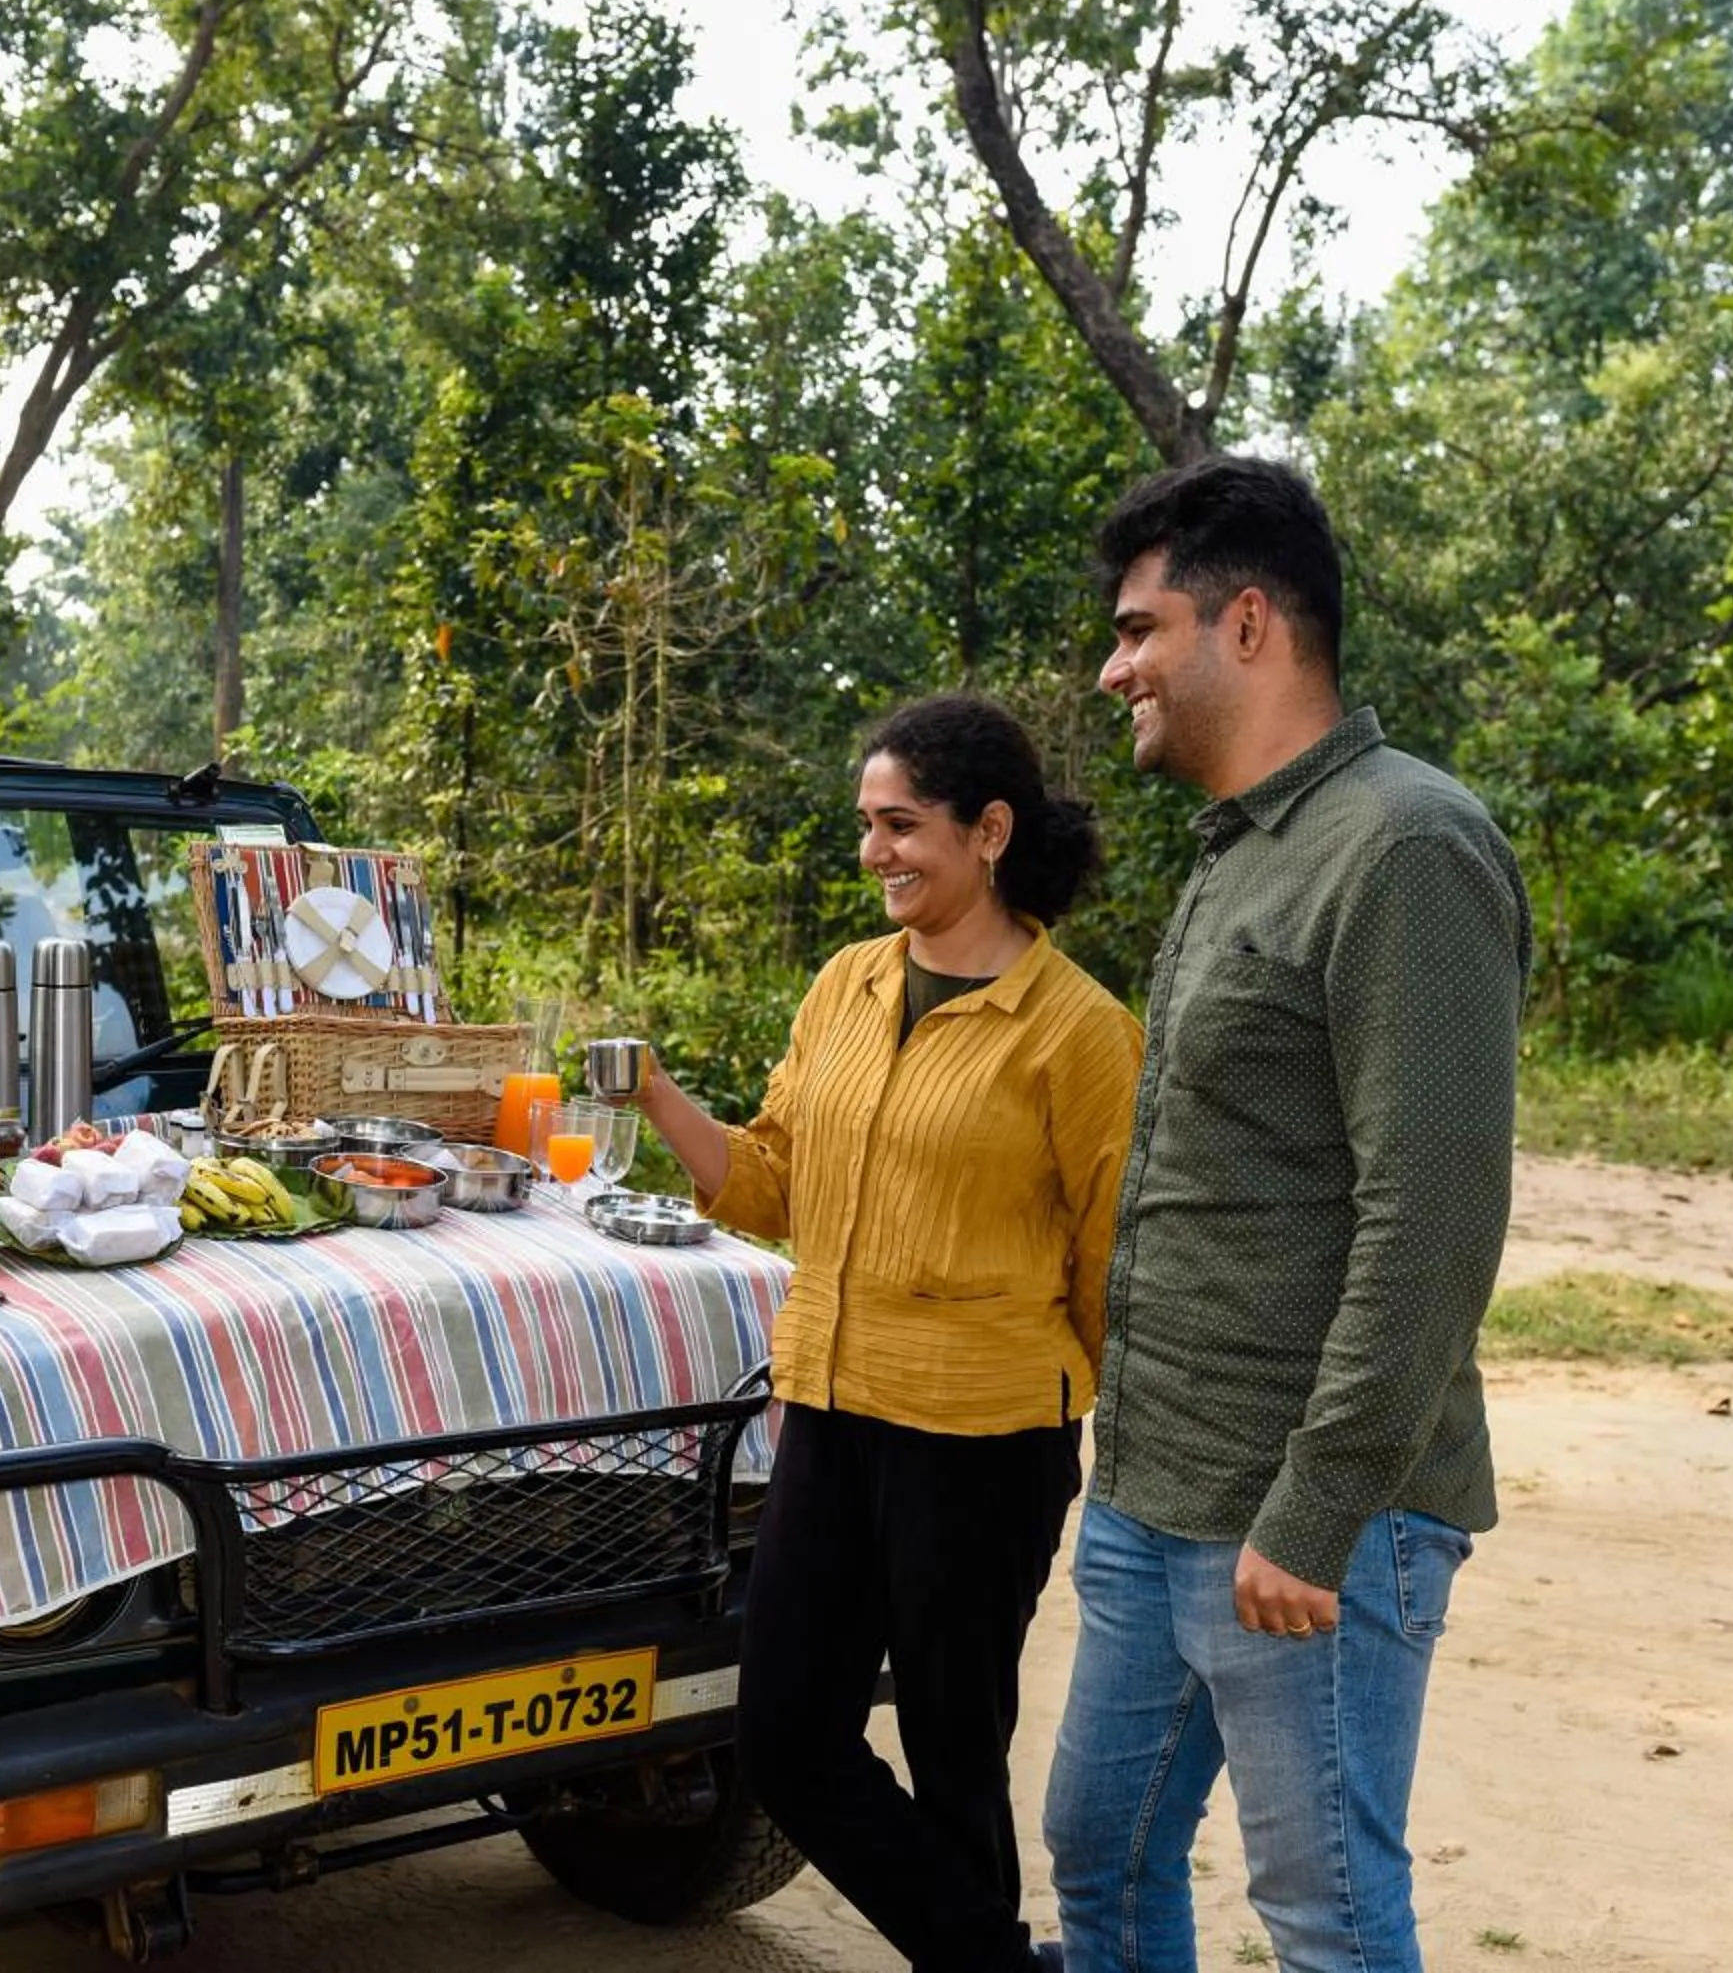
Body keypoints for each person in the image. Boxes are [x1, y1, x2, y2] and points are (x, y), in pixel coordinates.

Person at [1043, 457, 1532, 1973]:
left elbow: (1432, 1222)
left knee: (1321, 1911)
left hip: (1304, 1515)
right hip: (1155, 1487)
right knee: (1100, 1849)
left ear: (1247, 623)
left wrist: (1314, 1516)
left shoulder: (1403, 847)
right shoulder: (1246, 846)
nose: (1115, 666)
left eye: (1138, 629)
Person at [610, 693, 1144, 1973]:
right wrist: (653, 1091)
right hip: (831, 1415)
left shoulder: (1080, 1031)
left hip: (986, 1436)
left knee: (959, 1750)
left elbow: (1111, 1265)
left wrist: (1083, 1416)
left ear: (991, 830)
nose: (875, 853)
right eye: (868, 825)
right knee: (788, 1736)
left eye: (901, 825)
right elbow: (772, 1185)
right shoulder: (848, 983)